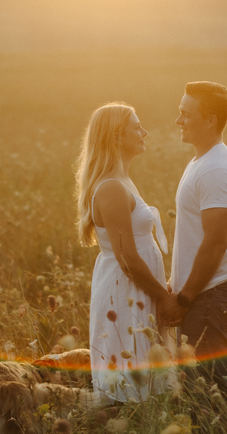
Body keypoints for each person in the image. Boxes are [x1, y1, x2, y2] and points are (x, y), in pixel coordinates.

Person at [75, 103, 178, 402]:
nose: (144, 132)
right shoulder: (111, 188)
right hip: (125, 289)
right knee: (127, 369)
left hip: (138, 287)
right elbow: (127, 258)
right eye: (137, 127)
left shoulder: (122, 181)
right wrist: (163, 297)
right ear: (117, 137)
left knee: (144, 368)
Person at [164, 81, 227, 434]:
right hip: (202, 294)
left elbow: (215, 243)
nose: (178, 119)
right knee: (198, 387)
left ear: (210, 120)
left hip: (210, 295)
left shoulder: (216, 169)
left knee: (209, 388)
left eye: (186, 113)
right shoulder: (201, 161)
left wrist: (184, 298)